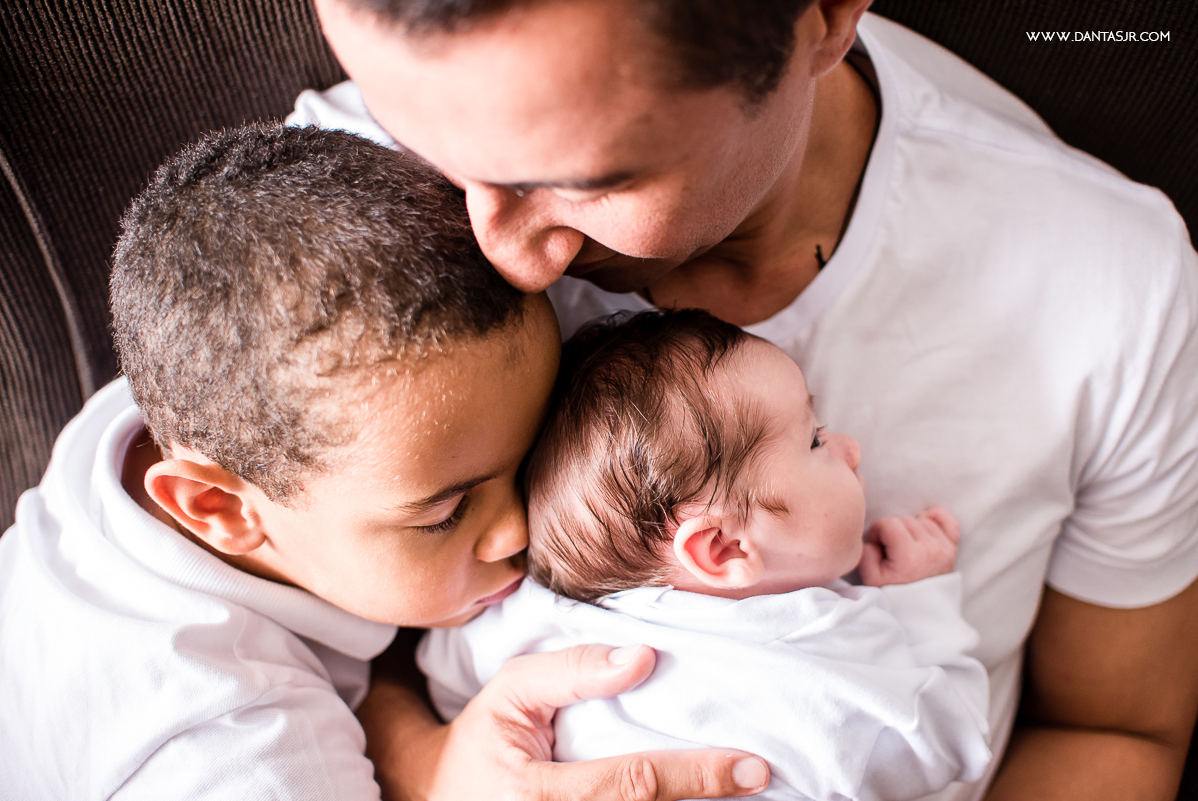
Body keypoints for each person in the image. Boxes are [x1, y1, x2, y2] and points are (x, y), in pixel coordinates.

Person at [292, 0, 1198, 799]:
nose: (504, 256)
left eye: (584, 181)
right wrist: (425, 768)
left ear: (825, 16)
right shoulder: (317, 220)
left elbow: (1115, 728)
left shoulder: (1111, 281)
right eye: (428, 149)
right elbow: (248, 657)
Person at [0, 123, 768, 800]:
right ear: (219, 508)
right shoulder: (234, 754)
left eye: (530, 452)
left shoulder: (196, 395)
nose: (518, 526)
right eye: (446, 511)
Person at [419, 309, 993, 800]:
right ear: (724, 548)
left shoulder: (531, 617)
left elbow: (447, 682)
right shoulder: (824, 638)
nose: (851, 448)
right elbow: (951, 737)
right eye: (815, 440)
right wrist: (919, 597)